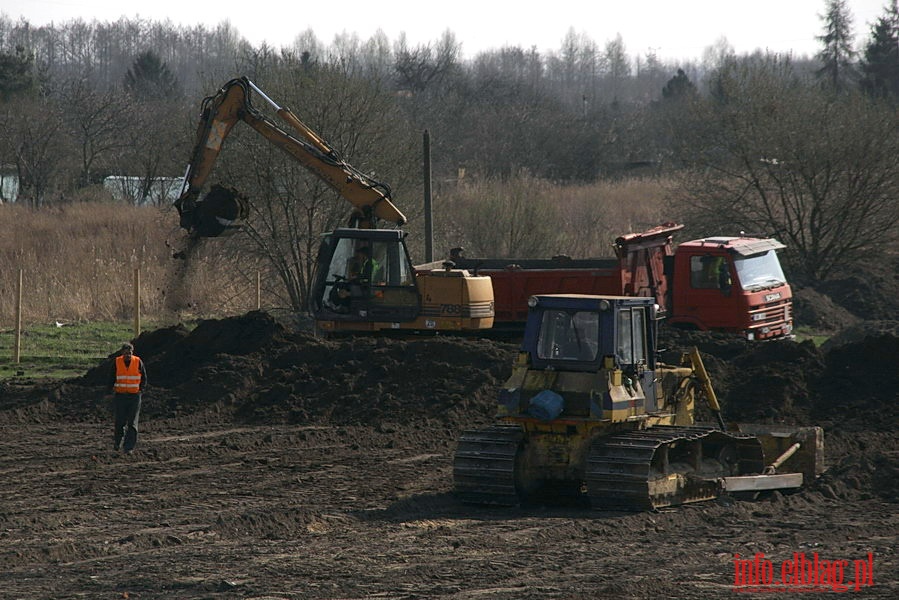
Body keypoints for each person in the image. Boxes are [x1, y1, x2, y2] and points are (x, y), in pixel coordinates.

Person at [108, 342, 148, 454]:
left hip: (134, 397)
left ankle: (129, 447)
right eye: (126, 353)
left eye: (129, 353)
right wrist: (109, 391)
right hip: (120, 396)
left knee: (132, 423)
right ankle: (117, 443)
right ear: (122, 353)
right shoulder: (116, 362)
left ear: (132, 352)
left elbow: (144, 377)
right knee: (120, 421)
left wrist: (141, 390)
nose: (128, 355)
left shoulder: (138, 362)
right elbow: (111, 378)